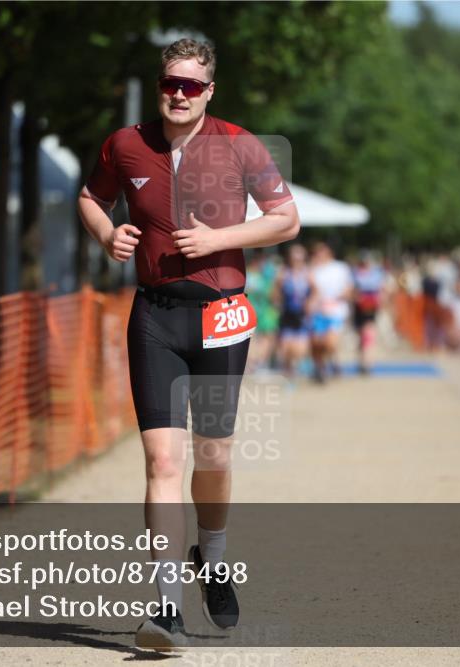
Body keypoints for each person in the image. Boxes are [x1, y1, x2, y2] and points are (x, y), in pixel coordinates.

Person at [77, 38, 300, 651]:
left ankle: (215, 556)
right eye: (169, 83)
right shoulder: (125, 143)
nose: (178, 94)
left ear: (210, 91)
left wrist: (220, 238)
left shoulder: (239, 144)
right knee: (162, 464)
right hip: (154, 314)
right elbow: (90, 197)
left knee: (215, 457)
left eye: (191, 86)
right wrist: (106, 233)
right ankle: (166, 610)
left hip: (220, 316)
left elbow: (287, 219)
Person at [308, 241, 353, 383]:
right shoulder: (313, 270)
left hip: (336, 311)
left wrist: (343, 295)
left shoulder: (340, 268)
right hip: (318, 311)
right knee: (316, 342)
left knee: (330, 342)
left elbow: (349, 287)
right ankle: (320, 367)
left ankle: (330, 362)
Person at [274, 243, 314, 377]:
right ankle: (288, 371)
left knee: (299, 349)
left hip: (301, 315)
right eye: (294, 256)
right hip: (287, 314)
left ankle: (299, 368)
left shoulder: (307, 273)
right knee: (285, 348)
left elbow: (316, 291)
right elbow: (275, 293)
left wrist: (310, 302)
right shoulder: (284, 273)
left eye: (299, 256)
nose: (297, 260)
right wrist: (277, 299)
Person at [245, 251, 280, 373]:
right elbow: (273, 295)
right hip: (255, 311)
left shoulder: (249, 275)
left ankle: (255, 364)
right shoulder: (260, 276)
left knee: (263, 338)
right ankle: (256, 364)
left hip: (259, 310)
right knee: (257, 338)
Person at [352, 252, 385, 373]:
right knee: (361, 336)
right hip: (359, 307)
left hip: (370, 307)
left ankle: (367, 362)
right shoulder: (355, 273)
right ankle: (362, 360)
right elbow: (353, 290)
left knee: (368, 334)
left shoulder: (375, 273)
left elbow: (380, 290)